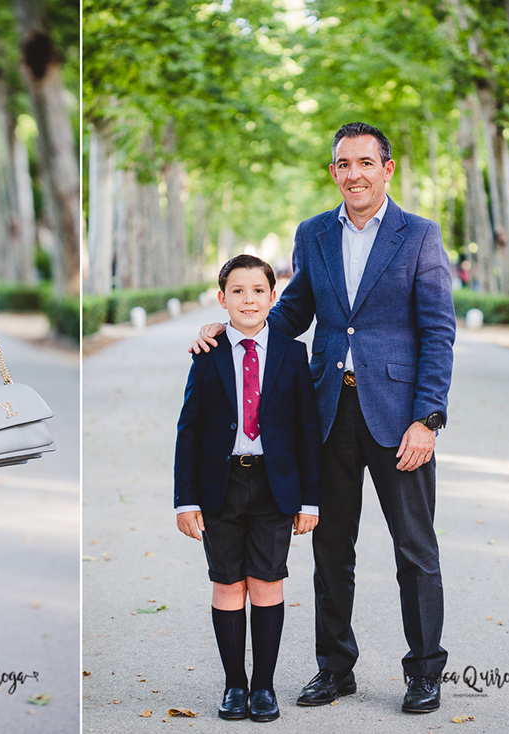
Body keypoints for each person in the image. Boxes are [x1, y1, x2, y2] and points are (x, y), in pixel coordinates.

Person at [192, 122, 456, 714]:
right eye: (343, 164)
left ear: (388, 169)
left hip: (399, 420)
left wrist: (428, 419)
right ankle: (334, 668)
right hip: (328, 414)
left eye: (366, 162)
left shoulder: (419, 236)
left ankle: (424, 671)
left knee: (415, 549)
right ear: (333, 172)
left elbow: (438, 331)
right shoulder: (313, 234)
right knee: (330, 547)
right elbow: (291, 314)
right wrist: (231, 330)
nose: (354, 173)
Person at [175, 254, 321, 723]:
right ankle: (234, 684)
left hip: (275, 485)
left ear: (272, 297)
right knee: (227, 584)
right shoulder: (208, 352)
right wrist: (186, 499)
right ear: (222, 299)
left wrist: (309, 499)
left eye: (258, 290)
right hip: (221, 485)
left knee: (266, 581)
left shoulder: (292, 353)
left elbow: (306, 430)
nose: (248, 299)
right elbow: (189, 428)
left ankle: (263, 687)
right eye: (237, 291)